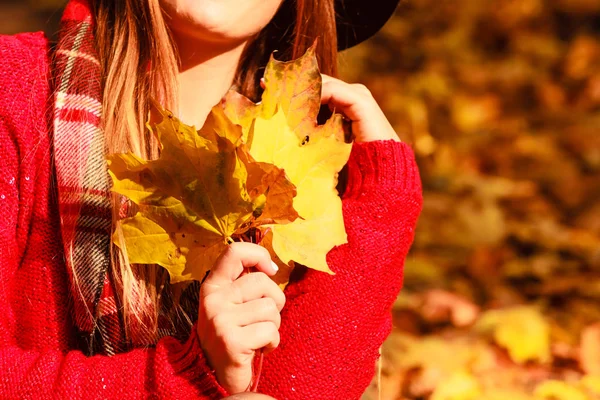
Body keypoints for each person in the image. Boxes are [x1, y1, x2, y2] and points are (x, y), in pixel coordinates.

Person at [0, 0, 422, 398]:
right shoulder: (12, 90)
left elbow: (289, 388)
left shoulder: (314, 172)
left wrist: (384, 201)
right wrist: (184, 377)